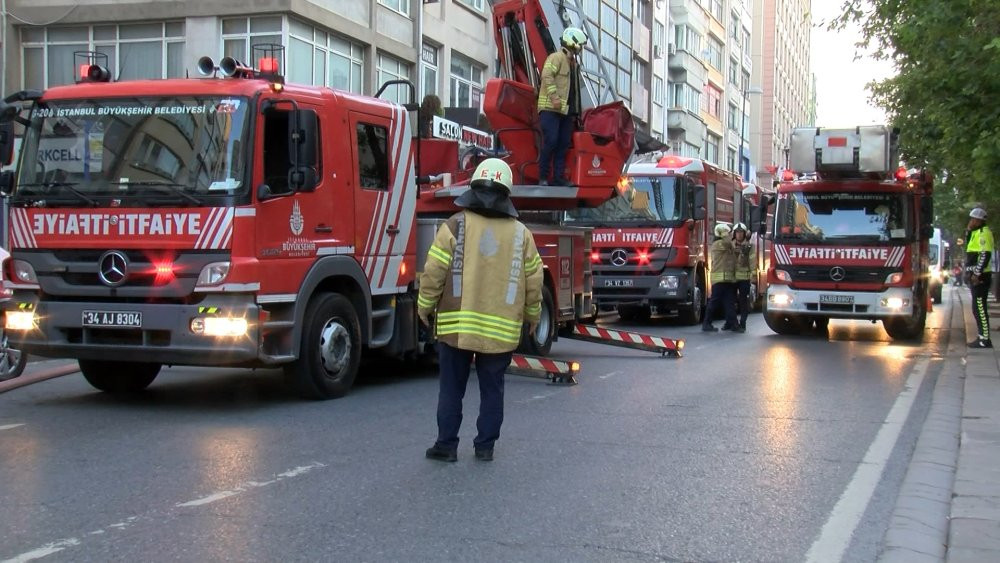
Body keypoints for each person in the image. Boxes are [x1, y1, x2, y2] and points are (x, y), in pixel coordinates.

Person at [418, 158, 544, 462]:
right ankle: (485, 446)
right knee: (492, 390)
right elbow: (534, 280)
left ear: (473, 188)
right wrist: (533, 315)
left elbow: (434, 271)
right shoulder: (521, 234)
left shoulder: (454, 225)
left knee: (451, 389)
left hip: (455, 328)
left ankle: (446, 446)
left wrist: (424, 306)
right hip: (500, 331)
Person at [536, 27, 587, 187]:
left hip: (567, 112)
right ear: (574, 43)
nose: (581, 49)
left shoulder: (573, 64)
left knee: (563, 144)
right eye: (580, 45)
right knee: (551, 141)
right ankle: (543, 177)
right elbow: (546, 75)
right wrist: (554, 98)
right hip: (551, 110)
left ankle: (558, 178)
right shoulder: (556, 58)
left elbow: (574, 90)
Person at [965, 206, 994, 348]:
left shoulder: (983, 234)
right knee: (977, 308)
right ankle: (982, 336)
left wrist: (977, 274)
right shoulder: (976, 233)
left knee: (980, 308)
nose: (970, 221)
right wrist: (969, 232)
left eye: (973, 219)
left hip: (981, 277)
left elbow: (984, 255)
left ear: (978, 220)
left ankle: (984, 339)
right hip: (976, 276)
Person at [702, 223, 738, 332]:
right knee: (714, 302)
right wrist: (730, 236)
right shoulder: (718, 244)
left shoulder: (725, 244)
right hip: (719, 280)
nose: (730, 235)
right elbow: (729, 243)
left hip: (727, 279)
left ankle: (733, 324)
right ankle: (706, 323)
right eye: (727, 233)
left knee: (729, 302)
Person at [732, 223, 756, 333]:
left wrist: (753, 275)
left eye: (741, 232)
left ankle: (743, 323)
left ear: (744, 234)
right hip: (731, 279)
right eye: (737, 232)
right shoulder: (730, 245)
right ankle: (733, 322)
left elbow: (752, 261)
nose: (739, 234)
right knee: (730, 301)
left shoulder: (749, 246)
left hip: (744, 279)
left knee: (743, 301)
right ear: (734, 234)